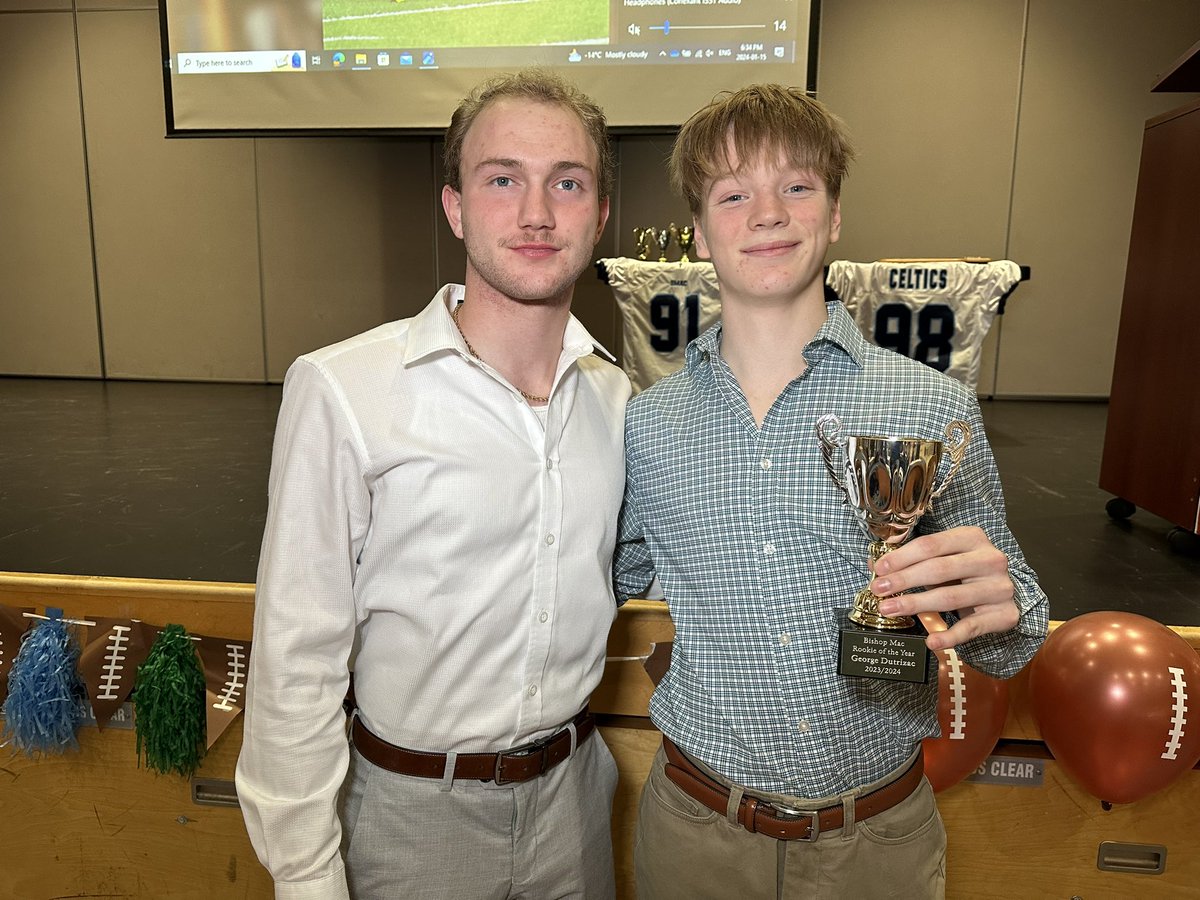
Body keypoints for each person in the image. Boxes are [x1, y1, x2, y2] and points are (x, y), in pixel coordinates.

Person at [613, 84, 1049, 899]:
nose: (767, 213)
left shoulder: (933, 404)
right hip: (694, 837)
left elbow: (1007, 634)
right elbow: (608, 573)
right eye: (733, 194)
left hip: (876, 843)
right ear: (700, 234)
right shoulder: (649, 424)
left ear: (836, 216)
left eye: (797, 187)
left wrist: (1005, 608)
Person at [236, 70, 630, 900]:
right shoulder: (345, 388)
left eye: (567, 182)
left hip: (576, 805)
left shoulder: (620, 403)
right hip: (410, 821)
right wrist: (305, 876)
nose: (535, 212)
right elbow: (294, 654)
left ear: (599, 215)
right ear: (454, 207)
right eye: (501, 180)